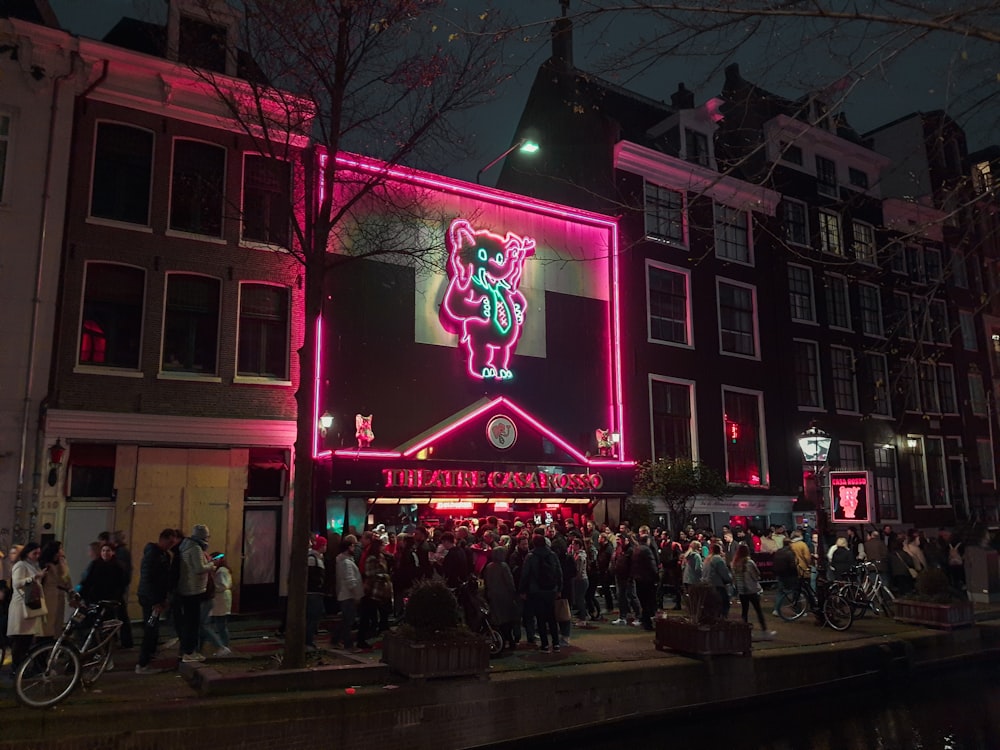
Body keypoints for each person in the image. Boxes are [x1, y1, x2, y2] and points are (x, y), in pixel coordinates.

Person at [135, 529, 174, 674]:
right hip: (149, 598)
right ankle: (142, 663)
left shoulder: (163, 555)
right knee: (150, 628)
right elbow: (148, 578)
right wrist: (155, 601)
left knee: (153, 628)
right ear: (162, 539)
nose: (170, 546)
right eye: (169, 542)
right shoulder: (153, 554)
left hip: (154, 597)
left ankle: (149, 655)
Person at [176, 524, 216, 662]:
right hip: (194, 589)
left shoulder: (185, 546)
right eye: (207, 536)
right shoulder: (196, 548)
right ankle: (189, 652)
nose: (208, 539)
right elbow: (199, 568)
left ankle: (186, 650)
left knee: (189, 622)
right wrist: (211, 565)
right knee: (193, 622)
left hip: (186, 589)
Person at [7, 541, 45, 676]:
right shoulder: (20, 565)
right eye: (34, 553)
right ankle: (16, 668)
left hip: (30, 603)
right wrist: (34, 578)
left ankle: (21, 668)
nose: (37, 556)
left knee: (26, 638)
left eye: (38, 553)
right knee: (20, 639)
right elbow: (17, 583)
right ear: (27, 553)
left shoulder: (33, 565)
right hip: (21, 606)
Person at [519, 534, 562, 653]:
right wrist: (559, 589)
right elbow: (559, 572)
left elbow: (525, 575)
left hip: (536, 590)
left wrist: (522, 590)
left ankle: (545, 645)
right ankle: (556, 643)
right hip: (551, 590)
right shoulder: (552, 555)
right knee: (552, 617)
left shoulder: (531, 556)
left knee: (540, 618)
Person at [357, 535, 392, 650]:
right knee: (366, 616)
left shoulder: (380, 557)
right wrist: (385, 576)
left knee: (379, 614)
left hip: (380, 590)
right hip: (373, 591)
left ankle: (372, 636)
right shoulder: (372, 558)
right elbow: (371, 575)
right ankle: (361, 639)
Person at [482, 546, 520, 650]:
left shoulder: (489, 566)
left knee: (498, 619)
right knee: (508, 619)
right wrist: (514, 594)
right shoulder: (503, 566)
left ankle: (503, 639)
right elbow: (509, 582)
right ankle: (510, 641)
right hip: (505, 597)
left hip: (493, 596)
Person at [732, 543, 772, 635]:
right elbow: (756, 575)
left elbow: (734, 578)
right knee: (758, 610)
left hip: (742, 591)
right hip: (751, 589)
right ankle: (764, 629)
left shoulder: (735, 563)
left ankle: (744, 630)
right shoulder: (749, 563)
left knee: (744, 611)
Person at [332, 535, 363, 651]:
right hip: (348, 595)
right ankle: (348, 644)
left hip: (344, 594)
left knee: (345, 620)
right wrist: (356, 594)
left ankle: (335, 639)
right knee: (348, 621)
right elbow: (350, 580)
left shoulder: (344, 561)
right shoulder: (346, 563)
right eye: (353, 546)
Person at [38, 540, 71, 641]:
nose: (62, 551)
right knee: (47, 625)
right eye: (60, 548)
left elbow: (67, 581)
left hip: (59, 597)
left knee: (57, 624)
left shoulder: (62, 564)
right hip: (47, 598)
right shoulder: (44, 565)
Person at [112, 530, 134, 649]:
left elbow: (122, 572)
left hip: (117, 589)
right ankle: (125, 641)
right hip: (120, 588)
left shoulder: (120, 553)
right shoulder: (123, 552)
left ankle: (125, 641)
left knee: (121, 615)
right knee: (121, 615)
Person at [631, 533, 659, 631]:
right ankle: (648, 624)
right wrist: (656, 577)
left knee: (643, 601)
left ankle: (644, 621)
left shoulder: (636, 549)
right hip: (647, 579)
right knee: (648, 601)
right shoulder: (647, 550)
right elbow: (652, 565)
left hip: (639, 578)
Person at [701, 542, 733, 619]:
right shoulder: (718, 559)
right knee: (723, 604)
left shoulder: (707, 559)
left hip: (706, 585)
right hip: (717, 586)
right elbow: (724, 573)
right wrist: (730, 579)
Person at [305, 535, 326, 651]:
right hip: (313, 592)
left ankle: (309, 640)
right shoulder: (313, 558)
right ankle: (308, 641)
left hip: (315, 592)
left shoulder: (317, 557)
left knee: (314, 617)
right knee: (312, 617)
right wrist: (318, 583)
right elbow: (312, 576)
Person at [209, 552, 232, 656]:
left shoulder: (222, 571)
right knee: (220, 624)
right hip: (220, 599)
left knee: (221, 625)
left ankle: (224, 646)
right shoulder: (221, 570)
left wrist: (212, 587)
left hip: (221, 599)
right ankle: (223, 645)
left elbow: (223, 585)